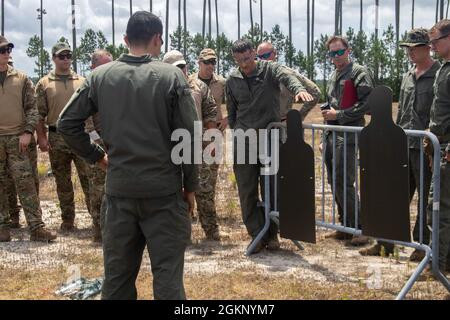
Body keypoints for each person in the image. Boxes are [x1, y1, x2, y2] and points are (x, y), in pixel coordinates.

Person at [58, 11, 198, 300]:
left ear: (125, 39)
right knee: (168, 278)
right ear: (158, 39)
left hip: (120, 191)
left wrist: (98, 157)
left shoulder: (99, 76)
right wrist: (190, 187)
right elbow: (189, 138)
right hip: (163, 194)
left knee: (117, 280)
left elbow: (66, 124)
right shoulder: (172, 76)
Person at [226, 39, 314, 253]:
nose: (244, 64)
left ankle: (272, 234)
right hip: (244, 143)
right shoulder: (233, 79)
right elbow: (232, 112)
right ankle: (257, 235)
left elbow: (288, 78)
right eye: (239, 60)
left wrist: (299, 90)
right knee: (246, 191)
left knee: (272, 189)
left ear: (254, 53)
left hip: (270, 140)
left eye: (247, 58)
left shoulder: (270, 70)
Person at [360, 29, 440, 260]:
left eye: (414, 48)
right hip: (402, 145)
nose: (410, 53)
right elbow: (402, 111)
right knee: (392, 195)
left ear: (428, 48)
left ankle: (422, 247)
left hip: (426, 147)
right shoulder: (407, 76)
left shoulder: (439, 75)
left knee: (426, 199)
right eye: (407, 48)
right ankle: (385, 243)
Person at [0, 35, 56, 242]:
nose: (6, 53)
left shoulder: (22, 79)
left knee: (26, 184)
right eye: (2, 50)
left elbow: (32, 109)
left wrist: (27, 132)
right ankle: (2, 227)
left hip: (17, 139)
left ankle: (36, 227)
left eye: (8, 49)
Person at [321, 35, 374, 246]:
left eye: (339, 52)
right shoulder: (335, 74)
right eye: (332, 53)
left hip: (349, 133)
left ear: (348, 50)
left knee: (345, 181)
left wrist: (339, 115)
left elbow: (368, 104)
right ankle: (345, 226)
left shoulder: (359, 72)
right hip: (333, 133)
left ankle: (359, 228)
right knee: (334, 180)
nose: (336, 56)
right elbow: (333, 103)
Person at [35, 42, 92, 232]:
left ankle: (97, 217)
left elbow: (90, 112)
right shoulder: (44, 84)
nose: (66, 59)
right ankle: (68, 219)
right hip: (56, 137)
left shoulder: (82, 81)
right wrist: (42, 138)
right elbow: (38, 115)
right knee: (62, 180)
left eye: (68, 55)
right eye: (62, 56)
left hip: (81, 136)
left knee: (88, 178)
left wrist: (93, 137)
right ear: (53, 58)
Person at [164, 50, 220, 241]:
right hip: (171, 149)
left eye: (183, 66)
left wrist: (212, 139)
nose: (181, 70)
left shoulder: (199, 87)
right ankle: (180, 233)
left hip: (198, 146)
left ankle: (211, 231)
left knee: (204, 190)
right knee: (174, 191)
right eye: (176, 67)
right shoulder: (160, 88)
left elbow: (211, 110)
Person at [189, 48, 225, 240]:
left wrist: (226, 120)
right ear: (199, 63)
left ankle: (211, 228)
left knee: (208, 184)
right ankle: (187, 221)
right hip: (189, 140)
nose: (210, 66)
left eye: (213, 62)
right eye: (206, 62)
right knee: (188, 183)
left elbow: (237, 105)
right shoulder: (189, 83)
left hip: (213, 139)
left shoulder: (222, 84)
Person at [425, 19, 450, 274]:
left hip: (448, 147)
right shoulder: (443, 68)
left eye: (435, 41)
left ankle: (438, 266)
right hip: (439, 144)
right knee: (439, 207)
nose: (431, 47)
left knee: (439, 208)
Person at [84, 49, 113, 242]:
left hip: (115, 142)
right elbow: (87, 125)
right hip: (96, 145)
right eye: (104, 66)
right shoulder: (87, 88)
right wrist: (99, 145)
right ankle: (99, 231)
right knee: (97, 190)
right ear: (93, 67)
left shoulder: (113, 86)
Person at [256, 41, 321, 121]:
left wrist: (299, 117)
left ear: (275, 54)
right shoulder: (255, 75)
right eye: (260, 57)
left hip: (282, 126)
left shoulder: (287, 74)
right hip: (261, 126)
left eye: (266, 55)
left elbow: (315, 93)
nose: (263, 60)